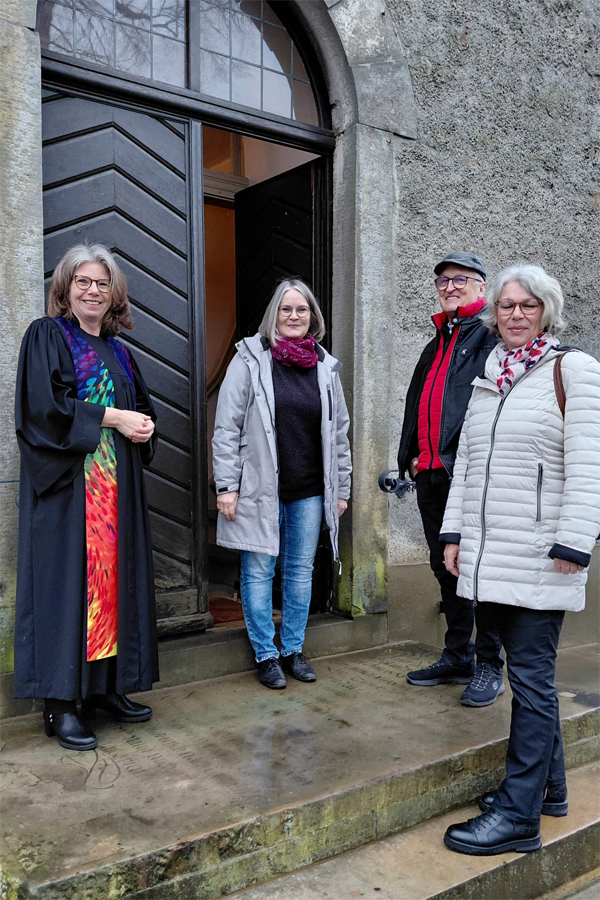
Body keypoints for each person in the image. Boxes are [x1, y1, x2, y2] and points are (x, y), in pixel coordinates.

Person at [441, 264, 600, 855]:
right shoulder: (490, 377)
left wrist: (574, 542)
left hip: (540, 554)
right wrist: (454, 533)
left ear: (546, 311)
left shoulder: (572, 370)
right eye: (506, 305)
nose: (515, 314)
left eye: (527, 305)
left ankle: (518, 816)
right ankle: (548, 791)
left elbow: (589, 463)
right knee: (527, 678)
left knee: (532, 681)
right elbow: (467, 465)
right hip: (490, 554)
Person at [14, 244, 159, 751]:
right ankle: (60, 705)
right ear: (66, 288)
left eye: (102, 283)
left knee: (113, 587)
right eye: (83, 282)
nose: (93, 291)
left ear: (114, 293)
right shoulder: (48, 336)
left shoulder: (120, 351)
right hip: (70, 492)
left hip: (116, 493)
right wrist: (113, 418)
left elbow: (139, 407)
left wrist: (143, 425)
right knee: (68, 589)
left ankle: (104, 689)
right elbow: (43, 409)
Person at [212, 278, 351, 689]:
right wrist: (226, 486)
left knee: (299, 572)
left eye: (301, 309)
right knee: (259, 571)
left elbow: (339, 434)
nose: (293, 316)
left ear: (312, 317)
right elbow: (226, 428)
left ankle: (293, 649)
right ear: (274, 314)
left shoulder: (325, 367)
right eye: (286, 309)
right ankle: (266, 654)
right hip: (258, 489)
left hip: (309, 491)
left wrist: (341, 489)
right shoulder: (248, 360)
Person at [398, 252, 504, 706]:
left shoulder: (490, 338)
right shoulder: (437, 341)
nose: (450, 287)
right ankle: (458, 655)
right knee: (446, 568)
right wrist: (410, 458)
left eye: (461, 280)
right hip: (431, 474)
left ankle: (489, 663)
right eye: (443, 281)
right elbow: (420, 404)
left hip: (469, 476)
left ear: (481, 287)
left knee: (480, 570)